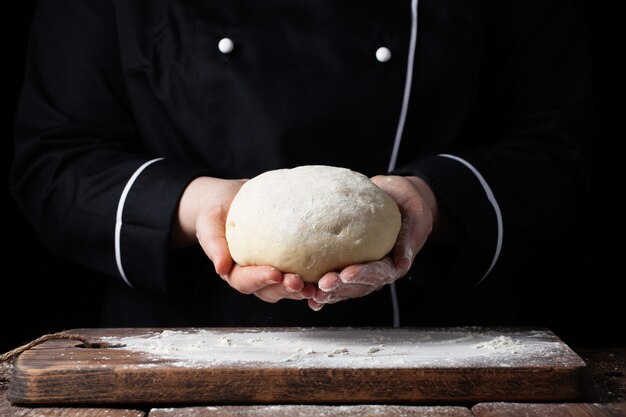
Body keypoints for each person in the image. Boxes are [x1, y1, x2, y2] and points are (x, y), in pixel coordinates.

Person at [10, 0, 591, 330]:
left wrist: (429, 200)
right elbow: (55, 165)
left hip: (433, 343)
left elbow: (558, 150)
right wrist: (197, 208)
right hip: (178, 350)